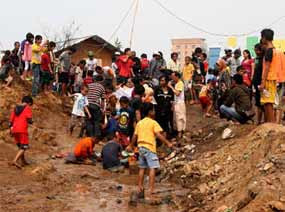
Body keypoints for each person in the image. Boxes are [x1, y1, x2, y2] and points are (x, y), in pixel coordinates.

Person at [127, 103, 173, 198]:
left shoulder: (140, 123)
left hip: (141, 148)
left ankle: (140, 187)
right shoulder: (153, 122)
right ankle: (151, 189)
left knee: (142, 168)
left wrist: (131, 145)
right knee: (153, 168)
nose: (154, 112)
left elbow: (134, 136)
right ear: (150, 112)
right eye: (153, 110)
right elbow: (159, 134)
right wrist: (168, 143)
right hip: (150, 147)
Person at [259, 29, 278, 123]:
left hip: (268, 79)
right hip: (273, 78)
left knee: (268, 102)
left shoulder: (269, 51)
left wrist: (262, 82)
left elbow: (266, 68)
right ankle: (269, 123)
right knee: (267, 102)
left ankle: (271, 123)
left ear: (264, 38)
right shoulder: (275, 50)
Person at [9, 96, 33, 169]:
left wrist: (10, 129)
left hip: (15, 129)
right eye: (30, 104)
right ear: (29, 103)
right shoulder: (27, 108)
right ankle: (15, 161)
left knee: (21, 146)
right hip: (22, 129)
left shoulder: (15, 108)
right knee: (24, 147)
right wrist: (31, 121)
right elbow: (29, 119)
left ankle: (23, 161)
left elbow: (11, 121)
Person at [168, 72, 186, 139]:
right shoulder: (177, 84)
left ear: (177, 77)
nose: (172, 78)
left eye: (173, 77)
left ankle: (180, 132)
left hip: (180, 103)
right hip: (177, 102)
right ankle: (180, 131)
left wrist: (171, 87)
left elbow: (177, 93)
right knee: (178, 117)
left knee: (180, 117)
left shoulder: (180, 83)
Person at [252, 43, 264, 125]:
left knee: (262, 103)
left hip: (261, 83)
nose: (255, 51)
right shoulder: (257, 59)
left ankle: (262, 120)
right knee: (257, 103)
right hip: (256, 83)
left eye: (256, 50)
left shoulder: (264, 58)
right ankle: (258, 121)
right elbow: (255, 70)